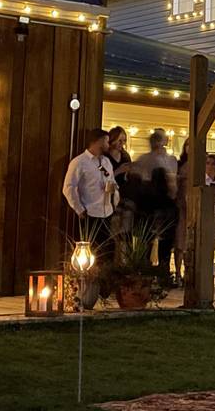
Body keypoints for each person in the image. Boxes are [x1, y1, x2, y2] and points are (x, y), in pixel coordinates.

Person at [62, 128, 120, 307]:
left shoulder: (106, 162)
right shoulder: (80, 162)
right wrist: (79, 208)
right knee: (90, 254)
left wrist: (114, 195)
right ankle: (85, 292)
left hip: (106, 212)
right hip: (89, 213)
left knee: (108, 252)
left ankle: (104, 290)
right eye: (106, 141)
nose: (108, 144)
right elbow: (69, 187)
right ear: (96, 141)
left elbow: (113, 182)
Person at [131, 129, 178, 277]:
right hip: (148, 204)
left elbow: (172, 182)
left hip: (165, 204)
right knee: (146, 239)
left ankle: (162, 272)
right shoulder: (145, 159)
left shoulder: (170, 160)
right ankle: (144, 272)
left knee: (165, 241)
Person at [172, 139, 190, 287]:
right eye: (188, 145)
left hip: (194, 208)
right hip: (180, 206)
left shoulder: (201, 165)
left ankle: (189, 274)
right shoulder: (179, 164)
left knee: (190, 243)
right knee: (179, 242)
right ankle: (177, 273)